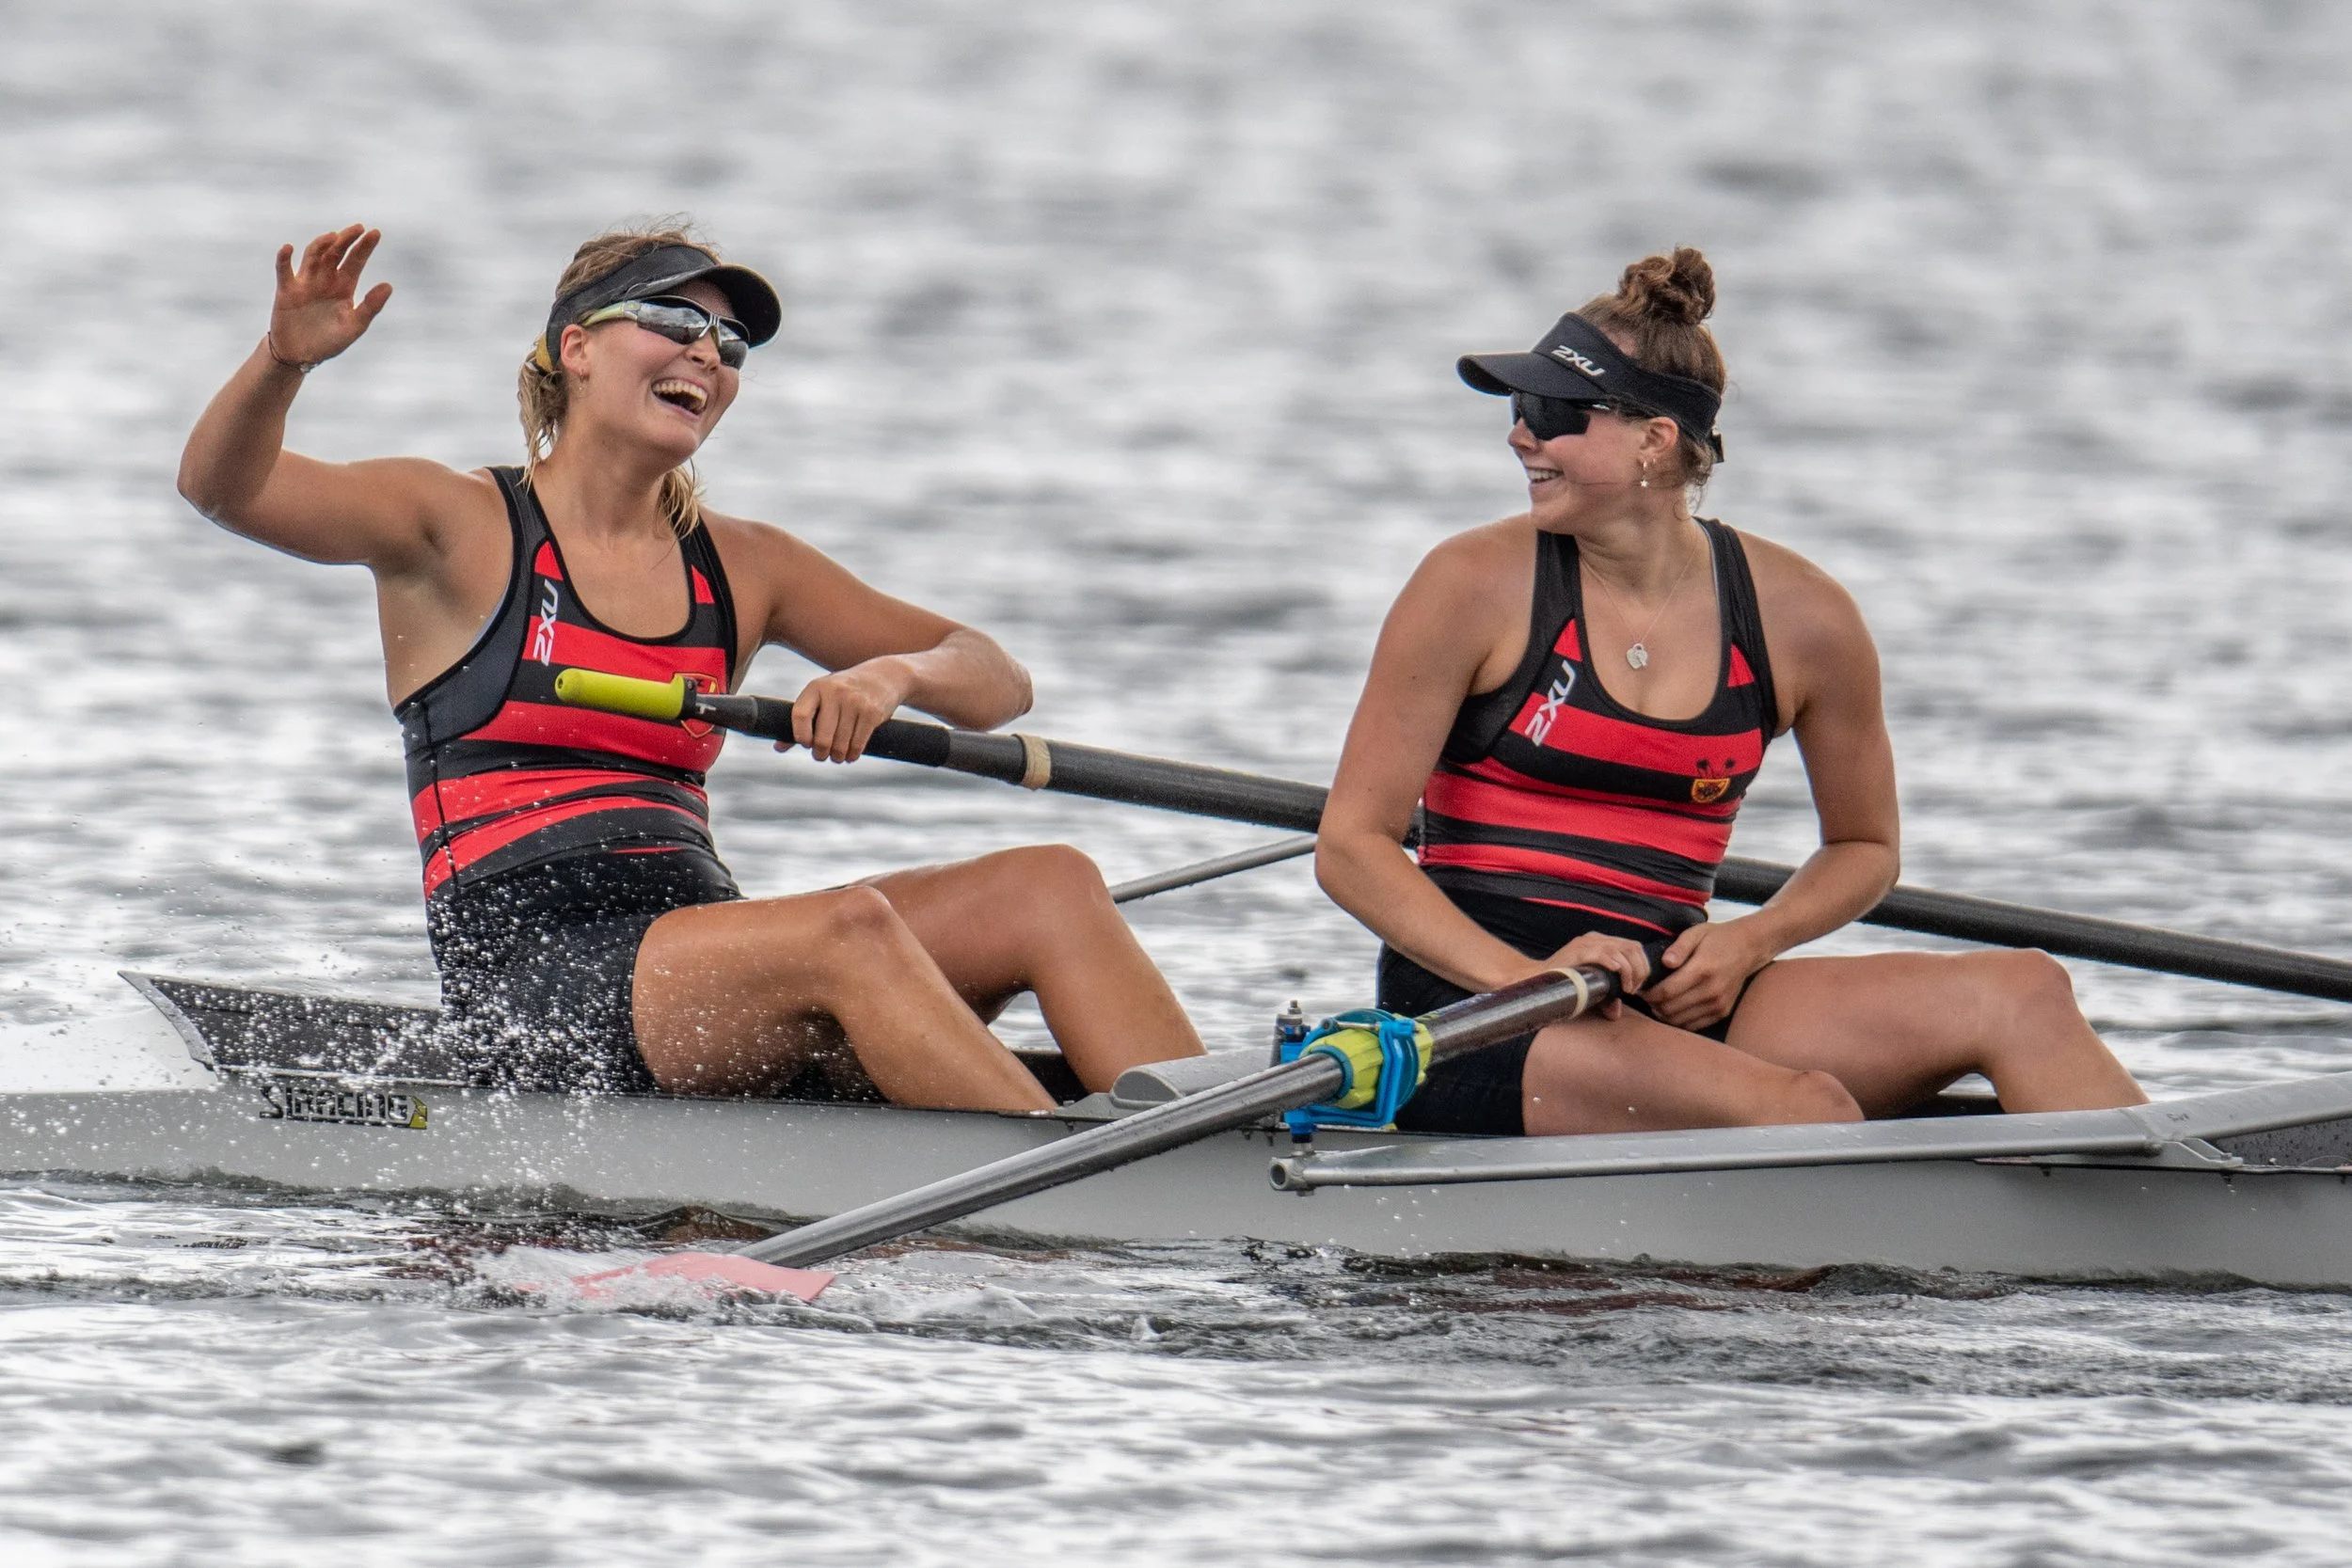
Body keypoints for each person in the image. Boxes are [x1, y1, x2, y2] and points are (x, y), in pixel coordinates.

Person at [177, 222, 1203, 1108]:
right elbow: (222, 488)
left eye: (731, 343)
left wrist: (889, 680)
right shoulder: (457, 523)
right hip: (532, 992)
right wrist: (282, 364)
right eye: (673, 321)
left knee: (1049, 884)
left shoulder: (745, 565)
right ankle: (1086, 1196)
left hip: (700, 957)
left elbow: (993, 675)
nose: (707, 354)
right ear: (576, 348)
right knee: (849, 929)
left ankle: (1230, 1156)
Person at [1314, 246, 2145, 1138]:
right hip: (1475, 1004)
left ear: (1654, 440)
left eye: (1551, 414)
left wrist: (1754, 939)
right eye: (1520, 409)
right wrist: (1525, 978)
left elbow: (1865, 845)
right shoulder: (1469, 586)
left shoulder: (1803, 619)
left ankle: (2195, 1207)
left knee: (2023, 990)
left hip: (1671, 988)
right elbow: (1351, 848)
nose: (1521, 436)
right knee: (1807, 1111)